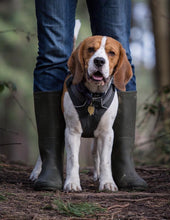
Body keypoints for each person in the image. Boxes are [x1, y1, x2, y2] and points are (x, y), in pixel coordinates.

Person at [33, 0, 147, 191]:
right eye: (91, 50)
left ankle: (121, 164)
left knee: (120, 39)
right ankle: (50, 163)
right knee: (52, 51)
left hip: (107, 99)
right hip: (76, 94)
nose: (99, 57)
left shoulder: (116, 65)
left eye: (110, 53)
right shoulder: (79, 64)